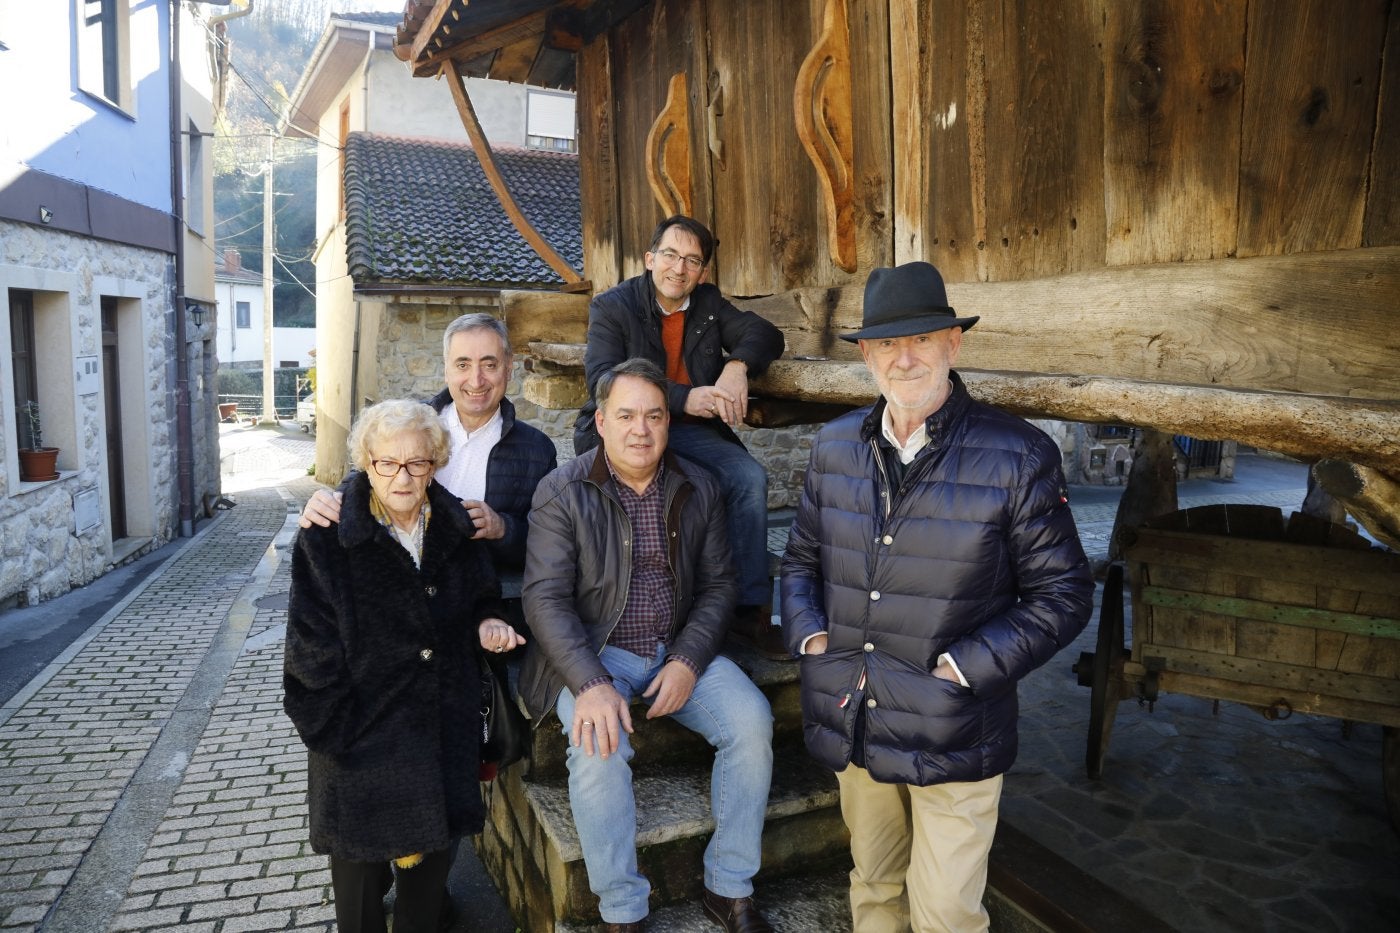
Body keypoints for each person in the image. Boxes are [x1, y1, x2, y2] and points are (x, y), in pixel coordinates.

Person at [780, 262, 1095, 932]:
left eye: (922, 338)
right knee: (873, 887)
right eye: (888, 344)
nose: (905, 357)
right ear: (866, 356)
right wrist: (812, 638)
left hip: (954, 729)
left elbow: (1065, 592)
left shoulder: (1016, 454)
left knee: (946, 912)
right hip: (856, 715)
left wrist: (965, 668)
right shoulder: (835, 447)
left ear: (954, 343)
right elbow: (801, 560)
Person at [523, 359, 776, 933]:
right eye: (627, 415)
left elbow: (718, 587)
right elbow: (544, 601)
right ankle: (622, 910)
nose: (641, 430)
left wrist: (688, 660)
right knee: (597, 750)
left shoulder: (699, 486)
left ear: (669, 423)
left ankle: (728, 887)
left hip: (676, 645)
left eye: (654, 416)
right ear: (602, 423)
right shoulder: (561, 492)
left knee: (752, 722)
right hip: (593, 652)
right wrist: (588, 684)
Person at [284, 399, 527, 933]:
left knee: (426, 894)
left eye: (416, 463)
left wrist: (487, 622)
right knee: (361, 899)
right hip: (358, 746)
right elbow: (308, 651)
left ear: (434, 463)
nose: (401, 476)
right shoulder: (328, 537)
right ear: (366, 463)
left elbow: (485, 595)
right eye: (386, 463)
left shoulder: (458, 528)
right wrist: (336, 734)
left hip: (443, 733)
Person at [574, 216, 788, 658]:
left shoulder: (707, 303)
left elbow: (765, 334)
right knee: (677, 490)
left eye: (692, 260)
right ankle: (643, 609)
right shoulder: (613, 306)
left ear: (703, 272)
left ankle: (747, 611)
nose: (679, 268)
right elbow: (602, 377)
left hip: (690, 433)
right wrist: (683, 398)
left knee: (748, 478)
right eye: (670, 255)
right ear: (650, 259)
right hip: (632, 427)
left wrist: (737, 365)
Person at [299, 313, 556, 572]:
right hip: (398, 589)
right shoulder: (410, 424)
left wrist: (503, 528)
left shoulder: (537, 450)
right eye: (463, 365)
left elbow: (551, 546)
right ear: (446, 369)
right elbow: (362, 481)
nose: (476, 380)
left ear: (508, 368)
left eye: (489, 365)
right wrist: (325, 502)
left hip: (482, 599)